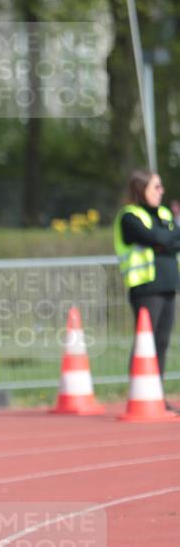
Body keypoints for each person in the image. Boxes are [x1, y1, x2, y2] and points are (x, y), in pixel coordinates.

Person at [113, 169, 180, 409]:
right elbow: (160, 239)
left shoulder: (163, 213)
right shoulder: (129, 216)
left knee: (161, 343)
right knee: (146, 342)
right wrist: (165, 239)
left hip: (169, 286)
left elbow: (173, 238)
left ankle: (157, 395)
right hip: (146, 288)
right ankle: (139, 394)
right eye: (156, 187)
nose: (161, 191)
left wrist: (165, 239)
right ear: (142, 190)